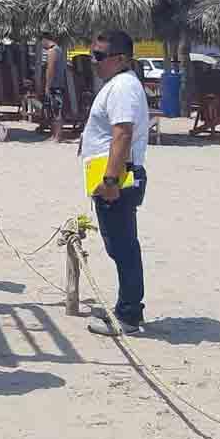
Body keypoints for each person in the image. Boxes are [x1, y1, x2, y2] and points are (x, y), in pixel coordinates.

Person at [81, 30, 150, 336]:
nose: (93, 61)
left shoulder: (122, 87)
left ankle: (128, 315)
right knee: (120, 246)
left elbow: (122, 134)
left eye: (98, 56)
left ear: (120, 58)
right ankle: (128, 306)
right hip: (113, 175)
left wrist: (110, 180)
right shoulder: (118, 84)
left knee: (123, 248)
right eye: (92, 54)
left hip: (119, 178)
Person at [43, 31, 67, 142]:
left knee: (56, 111)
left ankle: (57, 136)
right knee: (55, 111)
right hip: (59, 84)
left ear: (45, 40)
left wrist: (47, 85)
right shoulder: (59, 50)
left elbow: (50, 69)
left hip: (55, 85)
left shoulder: (52, 51)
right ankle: (55, 135)